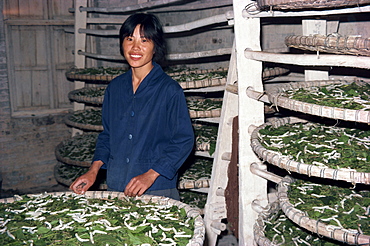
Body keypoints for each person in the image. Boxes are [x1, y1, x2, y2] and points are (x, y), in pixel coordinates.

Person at [70, 13, 194, 200]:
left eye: (144, 40)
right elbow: (108, 136)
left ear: (155, 47)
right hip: (117, 185)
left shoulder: (169, 90)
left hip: (156, 189)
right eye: (130, 39)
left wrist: (151, 174)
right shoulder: (115, 88)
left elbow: (183, 140)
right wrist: (93, 171)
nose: (135, 47)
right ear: (122, 43)